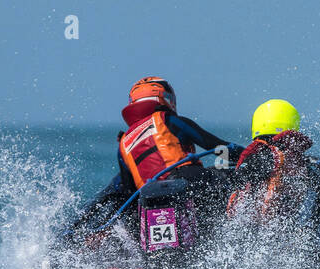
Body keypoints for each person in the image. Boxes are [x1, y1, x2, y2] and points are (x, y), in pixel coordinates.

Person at [64, 77, 242, 235]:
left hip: (149, 200)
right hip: (187, 180)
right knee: (228, 175)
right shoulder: (168, 120)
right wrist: (247, 156)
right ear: (165, 99)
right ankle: (235, 226)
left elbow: (128, 190)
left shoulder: (124, 143)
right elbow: (216, 146)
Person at [226, 99, 320, 269]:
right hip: (275, 239)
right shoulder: (283, 157)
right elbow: (318, 189)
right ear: (292, 125)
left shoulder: (254, 156)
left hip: (247, 238)